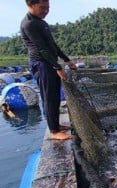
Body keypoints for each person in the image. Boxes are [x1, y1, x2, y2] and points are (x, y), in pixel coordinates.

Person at [21, 0, 77, 140]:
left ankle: (56, 125)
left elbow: (52, 45)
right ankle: (54, 131)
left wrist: (67, 60)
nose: (46, 11)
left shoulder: (41, 22)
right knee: (49, 98)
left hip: (50, 63)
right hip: (41, 64)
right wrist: (57, 68)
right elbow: (42, 49)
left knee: (55, 96)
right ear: (30, 5)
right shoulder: (29, 23)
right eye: (42, 8)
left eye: (48, 8)